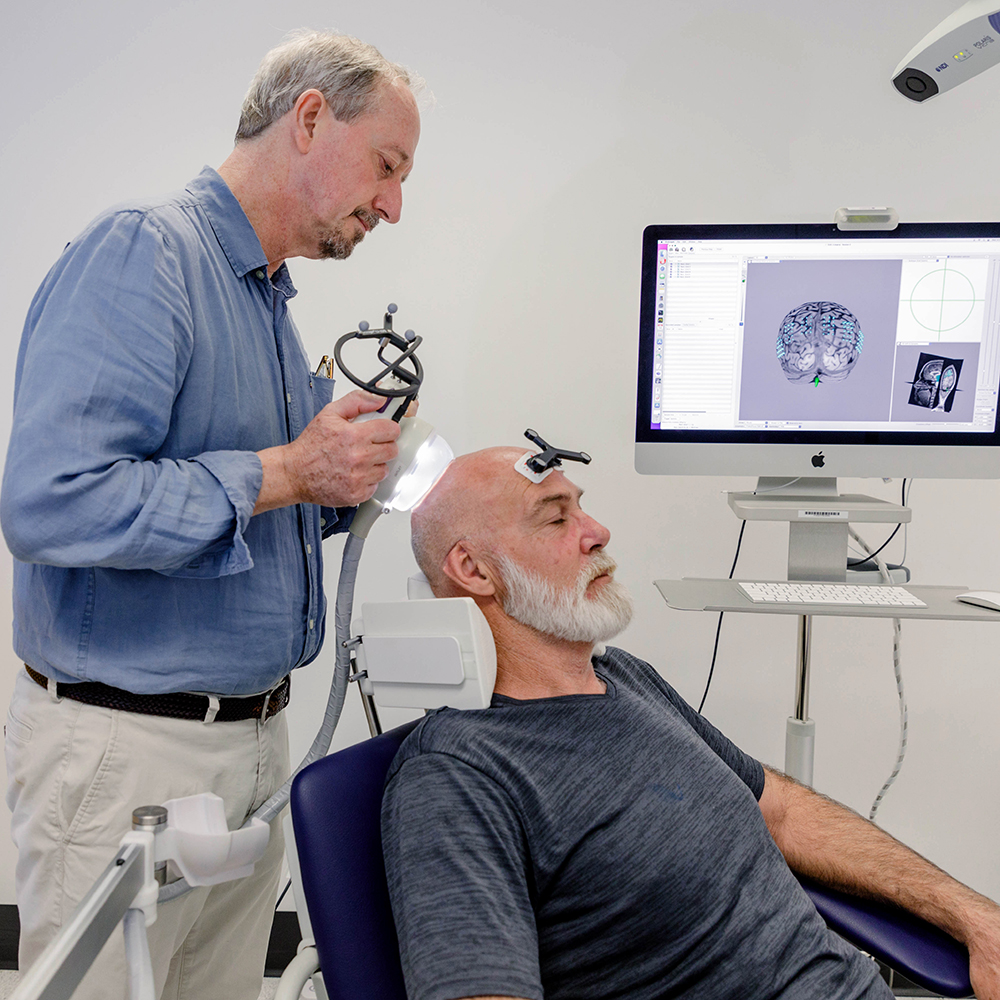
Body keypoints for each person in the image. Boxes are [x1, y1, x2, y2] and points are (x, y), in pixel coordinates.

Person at [1, 30, 421, 1000]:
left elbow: (241, 509)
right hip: (130, 750)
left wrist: (330, 482)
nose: (393, 206)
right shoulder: (145, 255)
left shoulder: (268, 302)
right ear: (309, 118)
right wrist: (284, 467)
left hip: (248, 742)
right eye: (386, 168)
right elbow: (51, 503)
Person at [382, 446, 1000, 1000]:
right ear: (474, 570)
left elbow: (779, 809)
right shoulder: (456, 775)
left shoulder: (623, 678)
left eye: (582, 509)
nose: (597, 533)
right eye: (556, 517)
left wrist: (975, 917)